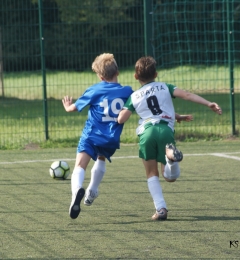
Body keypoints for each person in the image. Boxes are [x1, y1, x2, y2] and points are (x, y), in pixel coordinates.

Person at [117, 56, 222, 221]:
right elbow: (186, 95)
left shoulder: (135, 96)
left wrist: (120, 112)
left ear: (135, 77)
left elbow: (121, 119)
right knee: (170, 177)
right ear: (156, 74)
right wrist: (208, 104)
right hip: (165, 129)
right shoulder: (165, 87)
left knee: (152, 173)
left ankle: (161, 209)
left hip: (147, 132)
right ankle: (171, 160)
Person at [62, 53, 133, 219]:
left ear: (101, 76)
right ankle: (92, 191)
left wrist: (67, 106)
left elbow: (74, 108)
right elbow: (142, 102)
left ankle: (76, 193)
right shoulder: (127, 91)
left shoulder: (95, 89)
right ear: (118, 72)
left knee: (80, 165)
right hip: (111, 138)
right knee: (101, 158)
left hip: (92, 135)